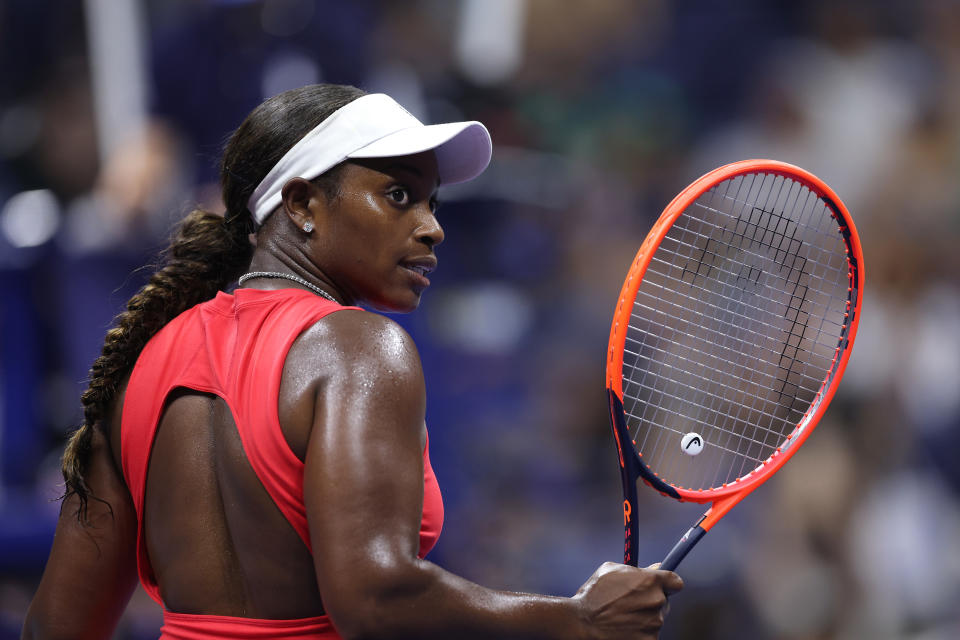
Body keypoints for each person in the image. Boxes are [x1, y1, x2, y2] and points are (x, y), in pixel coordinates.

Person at [22, 84, 682, 640]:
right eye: (398, 196)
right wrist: (572, 619)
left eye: (432, 202)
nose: (431, 227)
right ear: (304, 205)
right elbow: (374, 597)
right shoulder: (359, 348)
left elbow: (57, 624)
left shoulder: (143, 361)